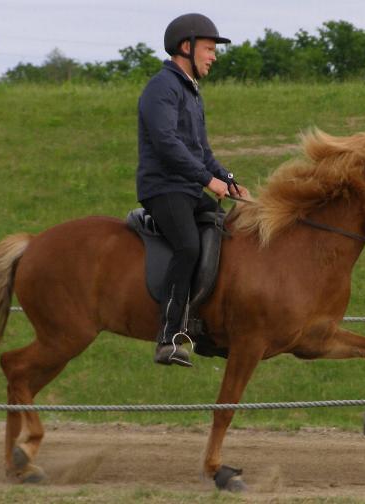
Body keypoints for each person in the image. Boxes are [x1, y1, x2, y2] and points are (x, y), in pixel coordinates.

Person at [136, 13, 249, 367]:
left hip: (186, 188)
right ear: (186, 47)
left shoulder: (191, 93)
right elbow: (167, 143)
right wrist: (207, 180)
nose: (213, 56)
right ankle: (168, 337)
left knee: (224, 232)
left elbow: (203, 152)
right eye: (209, 49)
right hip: (164, 189)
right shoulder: (162, 87)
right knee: (187, 245)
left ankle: (208, 333)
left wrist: (227, 180)